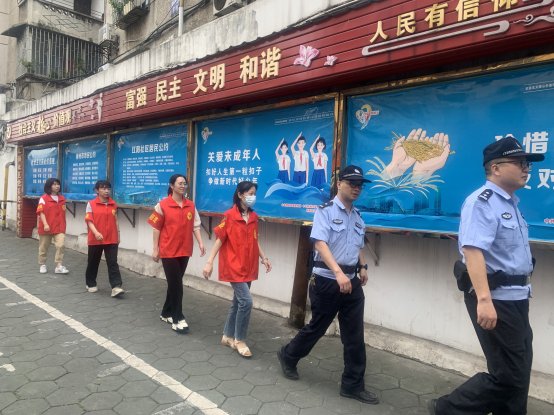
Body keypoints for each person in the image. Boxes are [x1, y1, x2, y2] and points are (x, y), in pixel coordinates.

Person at [428, 135, 544, 415]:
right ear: (496, 168)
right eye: (519, 162)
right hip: (495, 298)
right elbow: (473, 252)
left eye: (527, 163)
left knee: (519, 370)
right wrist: (484, 300)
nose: (526, 168)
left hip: (517, 297)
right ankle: (447, 408)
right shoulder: (482, 203)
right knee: (509, 375)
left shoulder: (511, 204)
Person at [277, 165, 379, 405]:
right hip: (327, 280)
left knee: (354, 335)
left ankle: (352, 385)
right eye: (352, 183)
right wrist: (338, 273)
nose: (356, 188)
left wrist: (362, 266)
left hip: (351, 282)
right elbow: (320, 244)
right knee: (318, 327)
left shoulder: (357, 216)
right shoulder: (325, 211)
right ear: (339, 183)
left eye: (359, 185)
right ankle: (289, 355)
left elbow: (357, 244)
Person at [202, 181, 272, 357]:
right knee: (246, 302)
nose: (253, 197)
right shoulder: (229, 216)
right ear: (240, 195)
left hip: (249, 266)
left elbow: (255, 240)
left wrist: (264, 258)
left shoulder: (254, 217)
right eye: (250, 193)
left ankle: (227, 336)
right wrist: (209, 261)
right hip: (233, 266)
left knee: (237, 302)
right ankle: (239, 340)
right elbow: (220, 239)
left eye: (254, 193)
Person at [148, 174, 206, 334]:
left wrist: (201, 242)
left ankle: (166, 312)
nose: (183, 186)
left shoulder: (190, 205)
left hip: (185, 249)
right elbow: (156, 228)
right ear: (172, 186)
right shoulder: (162, 205)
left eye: (184, 183)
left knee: (175, 282)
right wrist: (155, 248)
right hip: (168, 250)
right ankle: (177, 317)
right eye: (179, 183)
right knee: (177, 285)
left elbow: (195, 226)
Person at [84, 180, 124, 298]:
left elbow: (116, 220)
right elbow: (89, 220)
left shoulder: (113, 204)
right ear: (97, 190)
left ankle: (116, 286)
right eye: (103, 188)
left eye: (108, 189)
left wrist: (118, 234)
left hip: (111, 238)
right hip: (96, 238)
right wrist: (96, 233)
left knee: (112, 262)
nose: (106, 191)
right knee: (93, 262)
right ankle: (91, 283)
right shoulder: (91, 204)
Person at [36, 178, 69, 274]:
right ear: (49, 186)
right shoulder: (44, 198)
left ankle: (59, 266)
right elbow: (41, 212)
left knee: (60, 245)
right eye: (54, 184)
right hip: (46, 227)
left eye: (58, 184)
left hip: (59, 227)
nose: (57, 186)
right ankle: (42, 264)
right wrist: (45, 224)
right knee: (43, 247)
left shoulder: (62, 199)